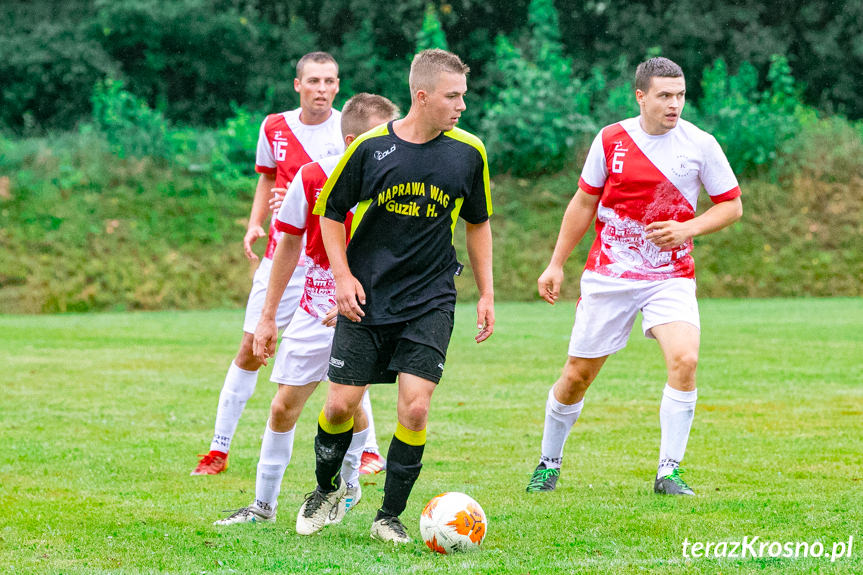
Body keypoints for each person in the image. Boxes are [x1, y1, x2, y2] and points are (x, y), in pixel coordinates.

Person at [293, 49, 494, 544]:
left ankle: (389, 516)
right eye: (453, 97)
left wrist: (487, 293)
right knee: (340, 405)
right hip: (366, 297)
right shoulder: (369, 148)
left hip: (430, 298)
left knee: (415, 408)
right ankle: (324, 491)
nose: (462, 106)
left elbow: (478, 223)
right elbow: (330, 213)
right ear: (422, 97)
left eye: (463, 96)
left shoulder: (469, 152)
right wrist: (342, 277)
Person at [526, 57, 743, 496]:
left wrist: (688, 228)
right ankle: (549, 462)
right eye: (665, 95)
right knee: (576, 377)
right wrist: (556, 263)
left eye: (680, 95)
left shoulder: (701, 144)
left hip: (670, 275)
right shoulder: (611, 139)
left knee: (685, 359)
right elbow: (583, 204)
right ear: (641, 96)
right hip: (609, 276)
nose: (675, 104)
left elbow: (731, 205)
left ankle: (669, 472)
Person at [192, 51, 383, 476]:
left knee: (346, 350)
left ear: (338, 86)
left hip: (330, 262)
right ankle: (218, 449)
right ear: (298, 85)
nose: (322, 89)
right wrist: (255, 222)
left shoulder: (352, 131)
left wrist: (304, 207)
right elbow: (267, 177)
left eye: (330, 81)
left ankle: (368, 449)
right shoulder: (274, 126)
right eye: (314, 81)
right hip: (283, 255)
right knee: (250, 347)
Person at [213, 93, 401, 525]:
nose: (395, 144)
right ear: (353, 141)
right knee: (283, 406)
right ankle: (262, 507)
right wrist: (266, 316)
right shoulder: (313, 177)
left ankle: (345, 488)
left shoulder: (398, 181)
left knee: (346, 403)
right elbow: (290, 244)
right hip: (315, 302)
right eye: (383, 136)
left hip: (369, 307)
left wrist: (364, 297)